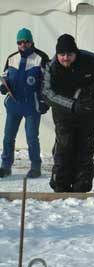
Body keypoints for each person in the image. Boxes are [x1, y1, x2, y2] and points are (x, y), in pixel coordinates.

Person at [42, 34, 94, 192]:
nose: (65, 58)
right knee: (64, 147)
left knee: (85, 148)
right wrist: (72, 105)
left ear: (76, 53)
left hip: (89, 112)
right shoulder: (51, 66)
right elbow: (47, 93)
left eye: (69, 54)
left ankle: (82, 186)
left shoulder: (91, 60)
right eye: (62, 54)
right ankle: (60, 186)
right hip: (63, 113)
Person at [0, 28, 49, 178]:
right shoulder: (11, 58)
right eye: (19, 42)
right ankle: (5, 166)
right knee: (8, 137)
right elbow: (5, 76)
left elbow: (47, 82)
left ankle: (35, 166)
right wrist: (3, 85)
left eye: (25, 41)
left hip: (32, 106)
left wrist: (44, 101)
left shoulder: (41, 58)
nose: (22, 44)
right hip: (14, 105)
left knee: (32, 137)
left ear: (31, 41)